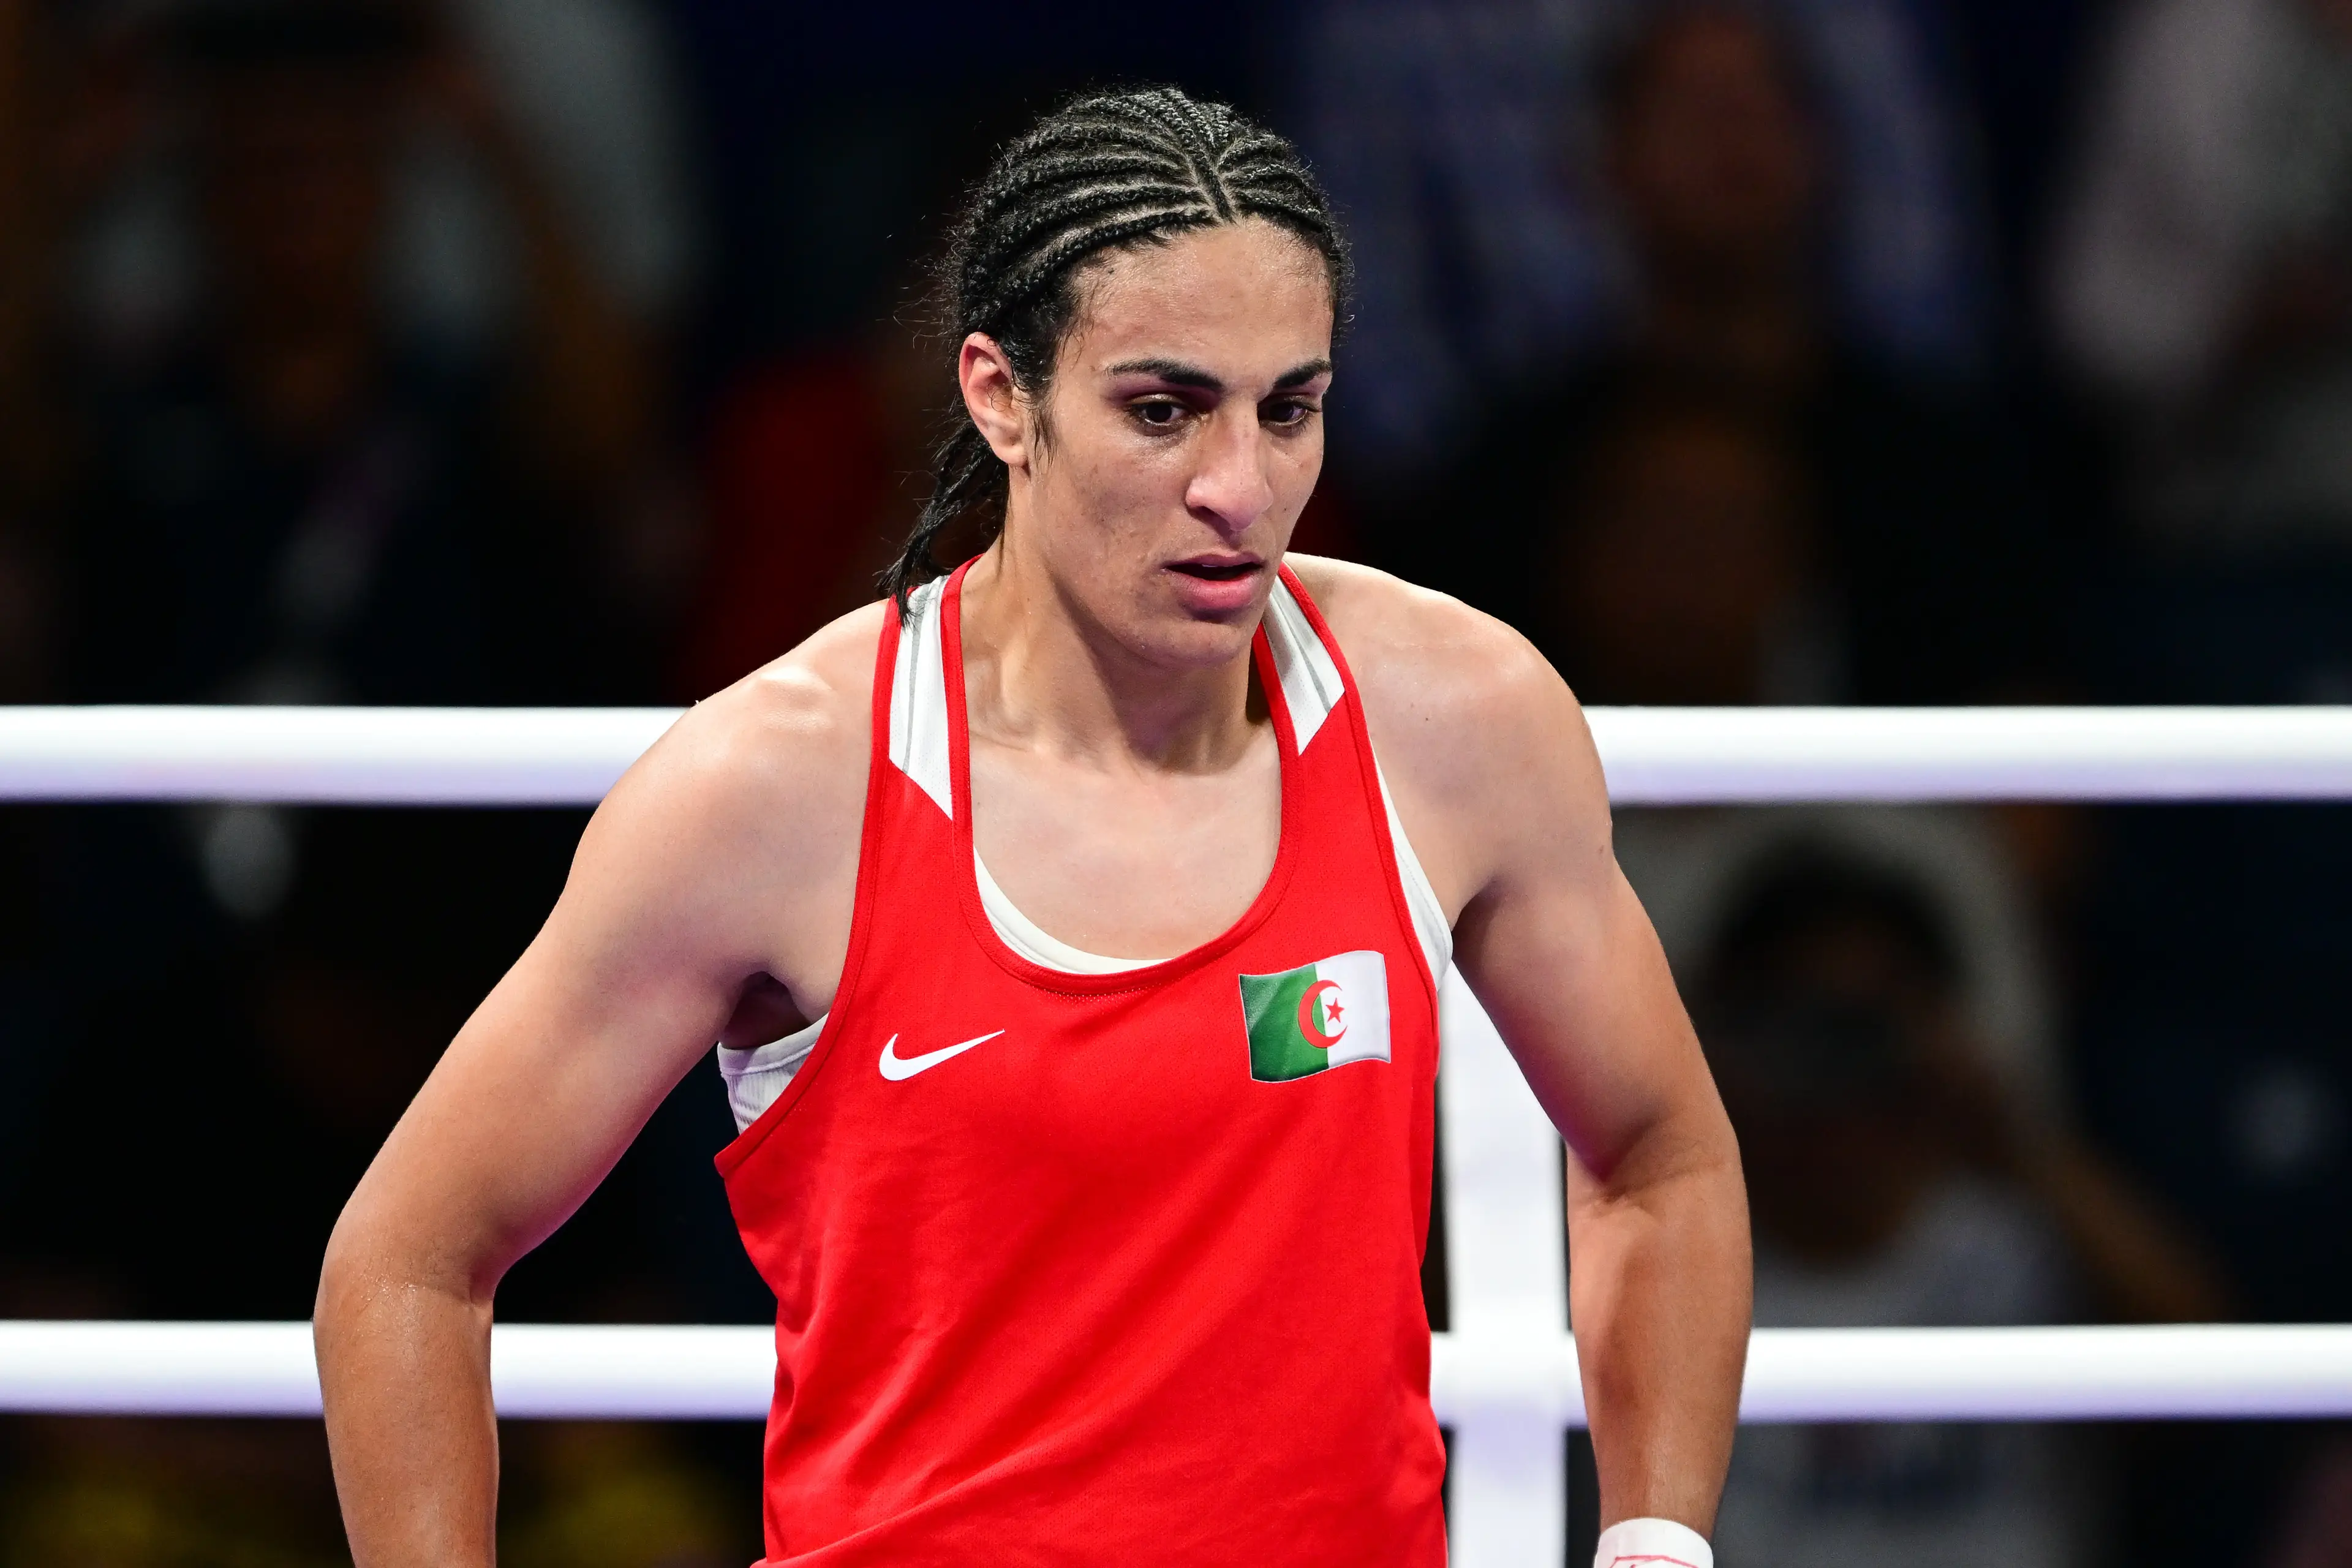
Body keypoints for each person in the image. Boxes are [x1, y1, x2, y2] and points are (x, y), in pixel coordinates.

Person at [314, 88, 1751, 1566]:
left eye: (1290, 408)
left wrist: (1654, 1538)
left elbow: (1661, 1152)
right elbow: (408, 1261)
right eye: (1162, 409)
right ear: (1002, 396)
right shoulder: (777, 784)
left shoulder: (1456, 720)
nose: (1239, 488)